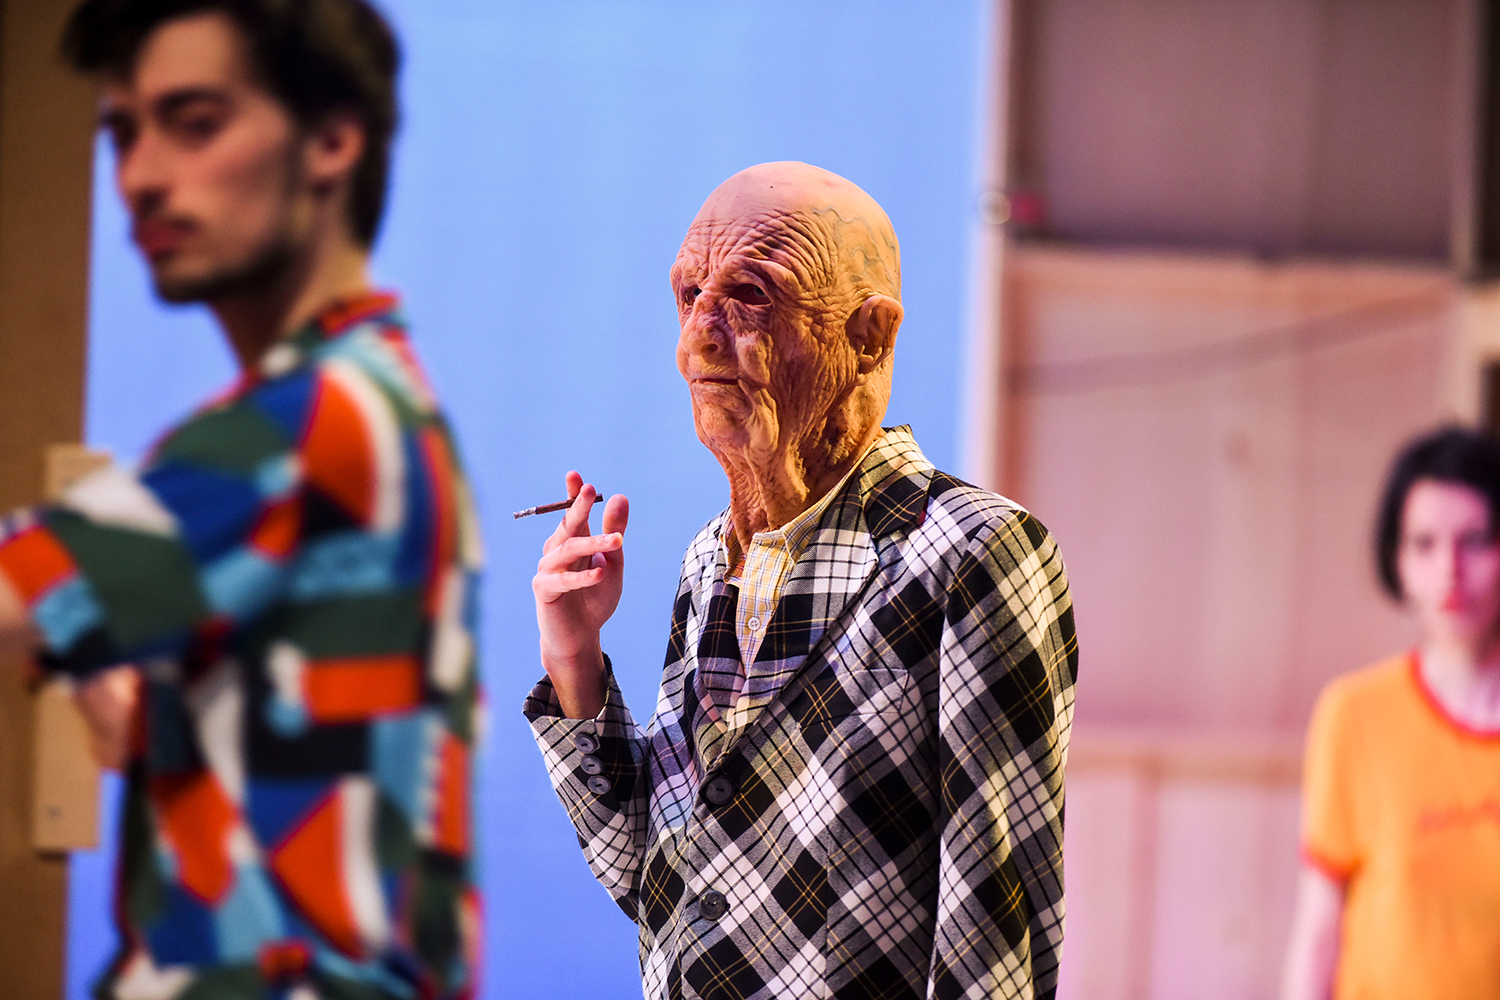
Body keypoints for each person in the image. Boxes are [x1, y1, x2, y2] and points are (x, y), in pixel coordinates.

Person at [0, 1, 483, 996]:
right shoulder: (384, 401)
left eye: (196, 123)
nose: (140, 176)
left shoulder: (307, 423)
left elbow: (11, 598)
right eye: (122, 133)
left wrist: (63, 595)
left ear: (332, 141)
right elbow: (174, 736)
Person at [526, 161, 1078, 1000]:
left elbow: (995, 941)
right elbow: (658, 883)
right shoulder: (712, 559)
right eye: (688, 296)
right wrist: (574, 656)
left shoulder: (970, 553)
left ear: (870, 336)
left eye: (749, 296)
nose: (697, 340)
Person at [1281, 426, 1500, 1000]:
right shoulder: (1353, 715)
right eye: (1424, 543)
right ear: (1396, 560)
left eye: (1475, 540)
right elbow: (1318, 929)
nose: (1450, 568)